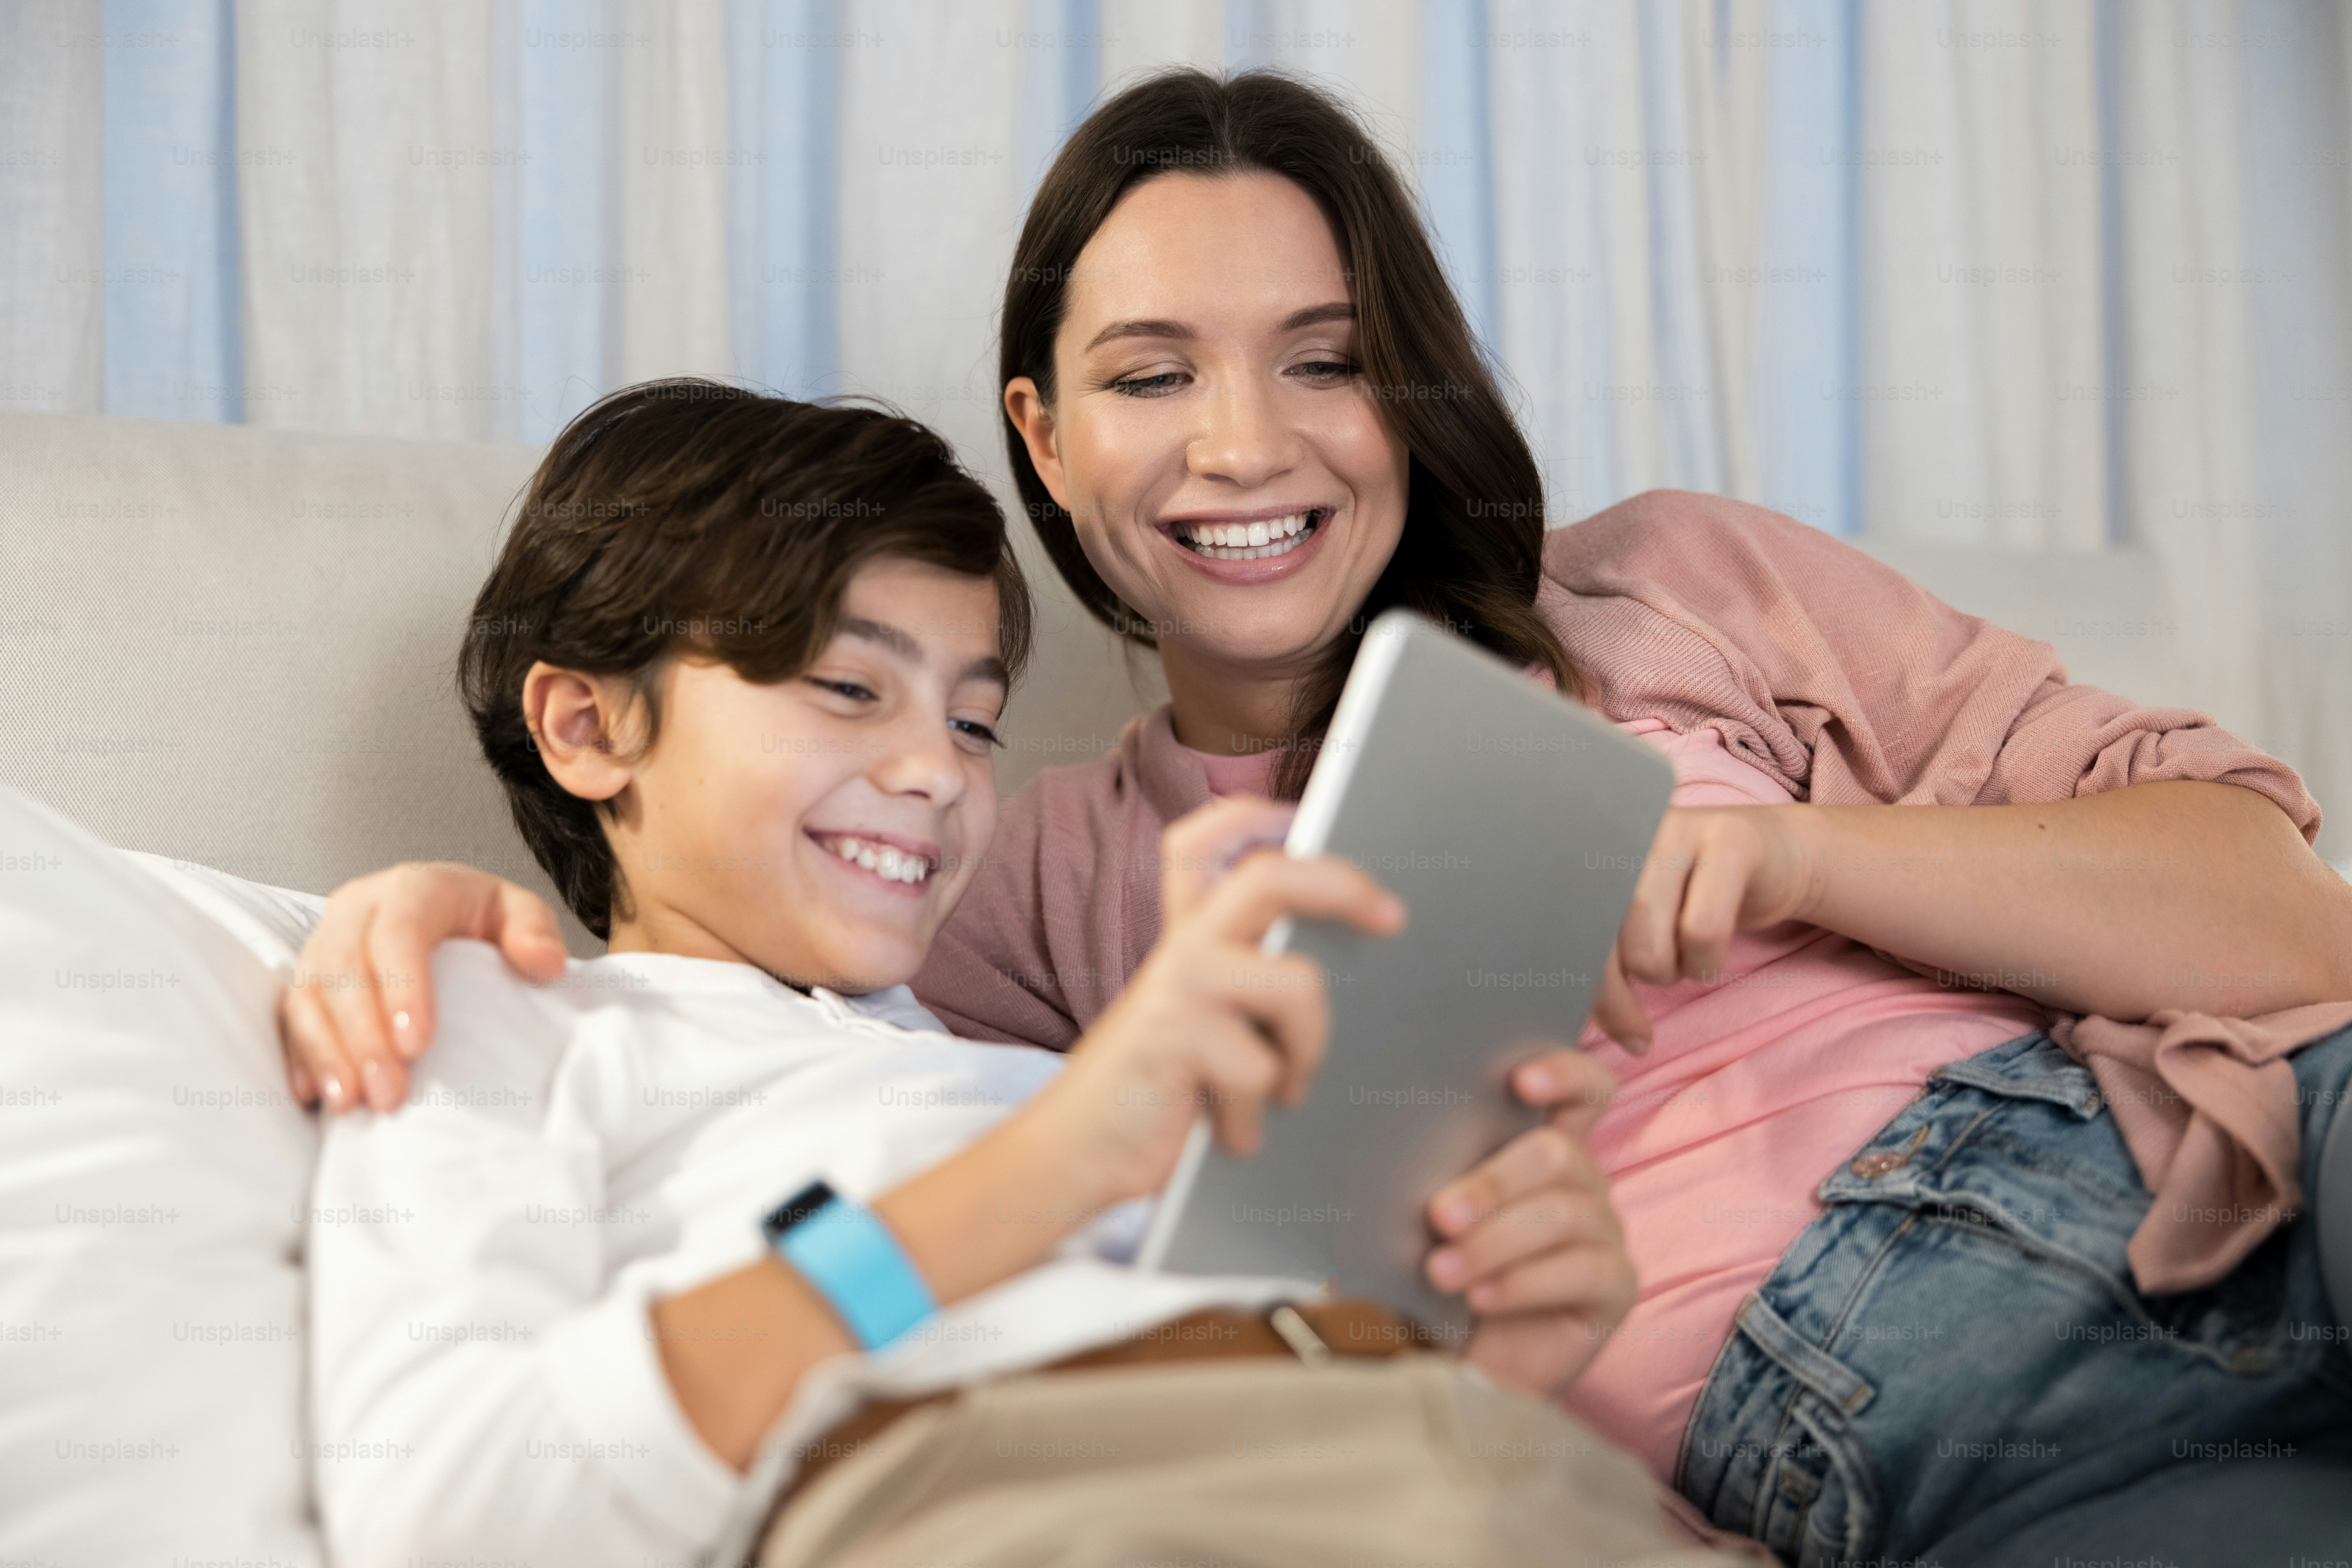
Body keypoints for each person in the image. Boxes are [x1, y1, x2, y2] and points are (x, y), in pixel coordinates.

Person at [280, 70, 2352, 1564]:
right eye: (1157, 375)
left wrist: (1797, 855)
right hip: (1883, 1375)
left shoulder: (1666, 592)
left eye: (1326, 360)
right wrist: (446, 914)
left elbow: (2297, 924)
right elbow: (716, 970)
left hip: (2221, 1137)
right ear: (1050, 435)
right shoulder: (1039, 902)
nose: (1247, 442)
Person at [305, 378, 1734, 1568]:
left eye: (977, 722)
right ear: (585, 724)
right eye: (850, 687)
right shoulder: (501, 1018)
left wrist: (1484, 1354)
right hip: (1001, 1499)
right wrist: (1058, 1159)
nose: (937, 773)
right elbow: (451, 1504)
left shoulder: (995, 1062)